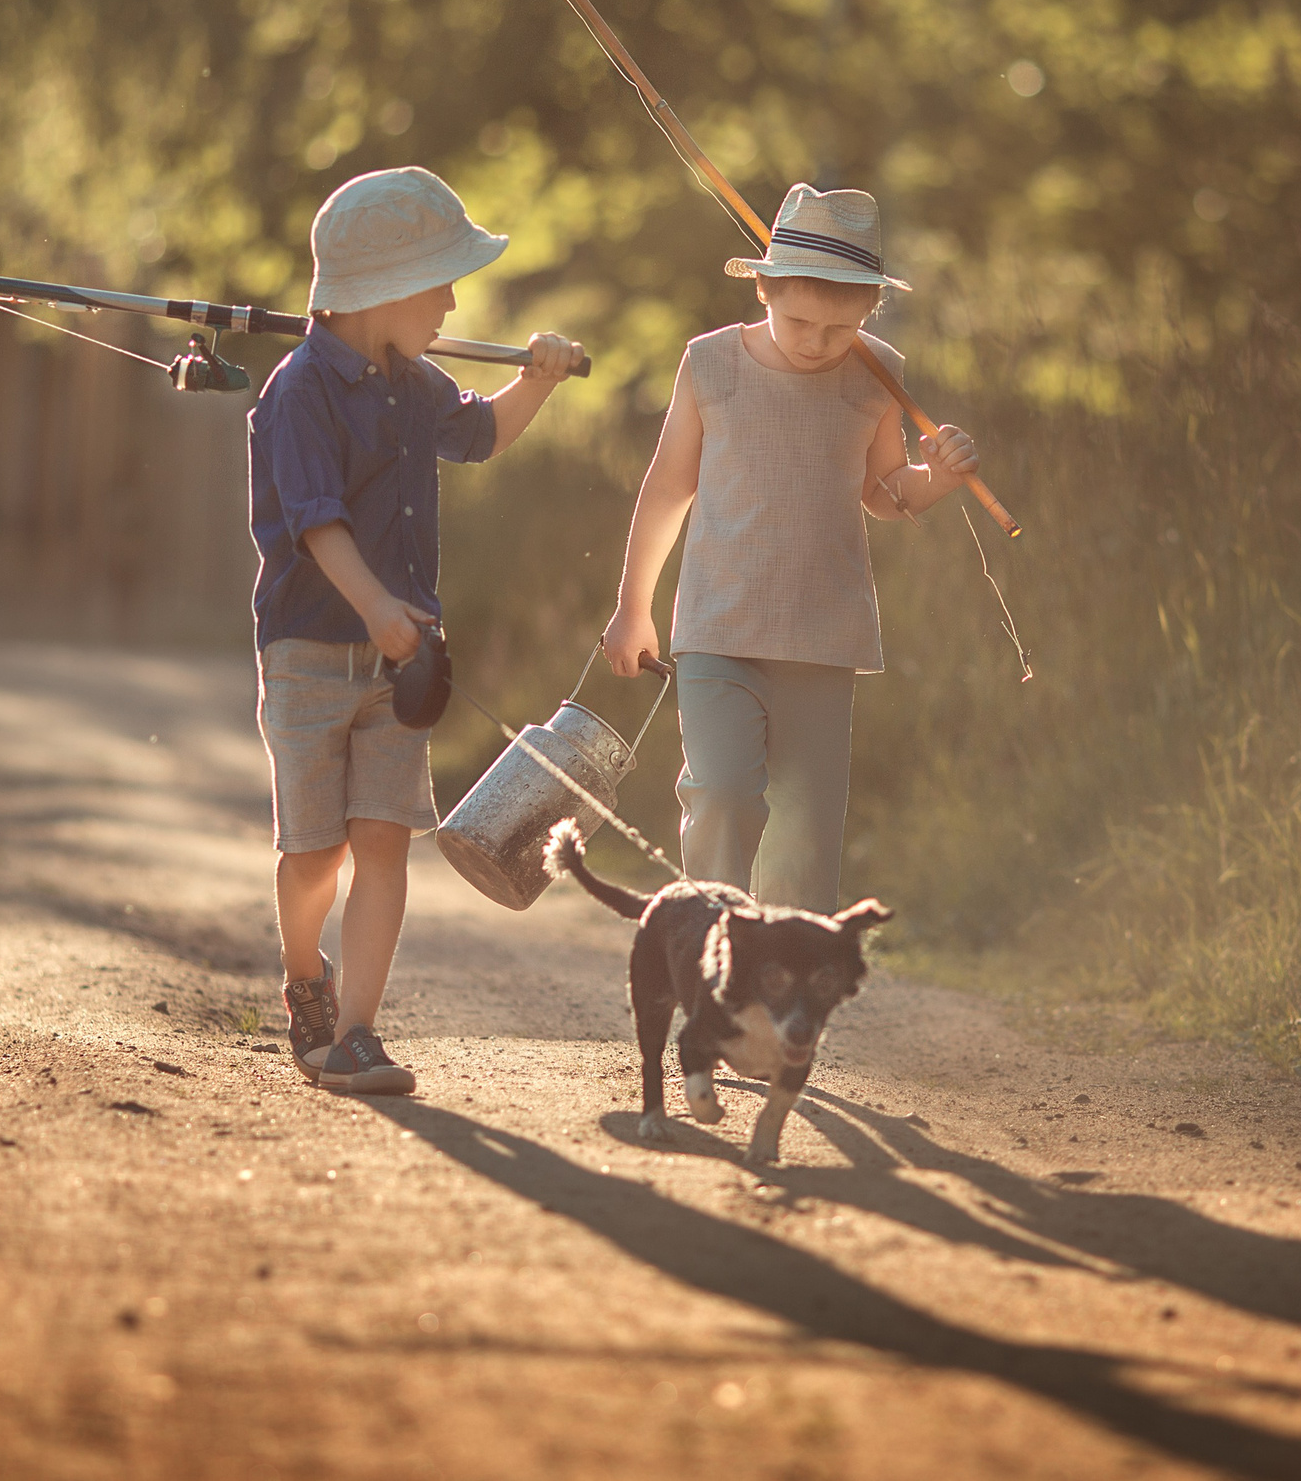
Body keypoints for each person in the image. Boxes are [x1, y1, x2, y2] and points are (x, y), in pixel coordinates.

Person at [250, 166, 582, 1095]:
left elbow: (479, 435)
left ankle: (357, 1031)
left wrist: (537, 382)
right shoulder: (300, 390)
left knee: (386, 837)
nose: (450, 302)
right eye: (437, 282)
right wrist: (377, 610)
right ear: (381, 290)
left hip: (403, 660)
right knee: (316, 850)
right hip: (312, 650)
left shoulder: (417, 381)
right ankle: (305, 980)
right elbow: (317, 525)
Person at [598, 184, 979, 913]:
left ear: (869, 310)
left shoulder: (876, 371)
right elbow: (666, 489)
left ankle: (784, 1005)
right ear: (764, 288)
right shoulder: (711, 365)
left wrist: (940, 478)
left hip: (824, 636)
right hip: (718, 628)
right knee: (721, 794)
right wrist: (632, 608)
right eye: (798, 319)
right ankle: (711, 962)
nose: (815, 341)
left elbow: (885, 490)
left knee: (806, 833)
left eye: (838, 328)